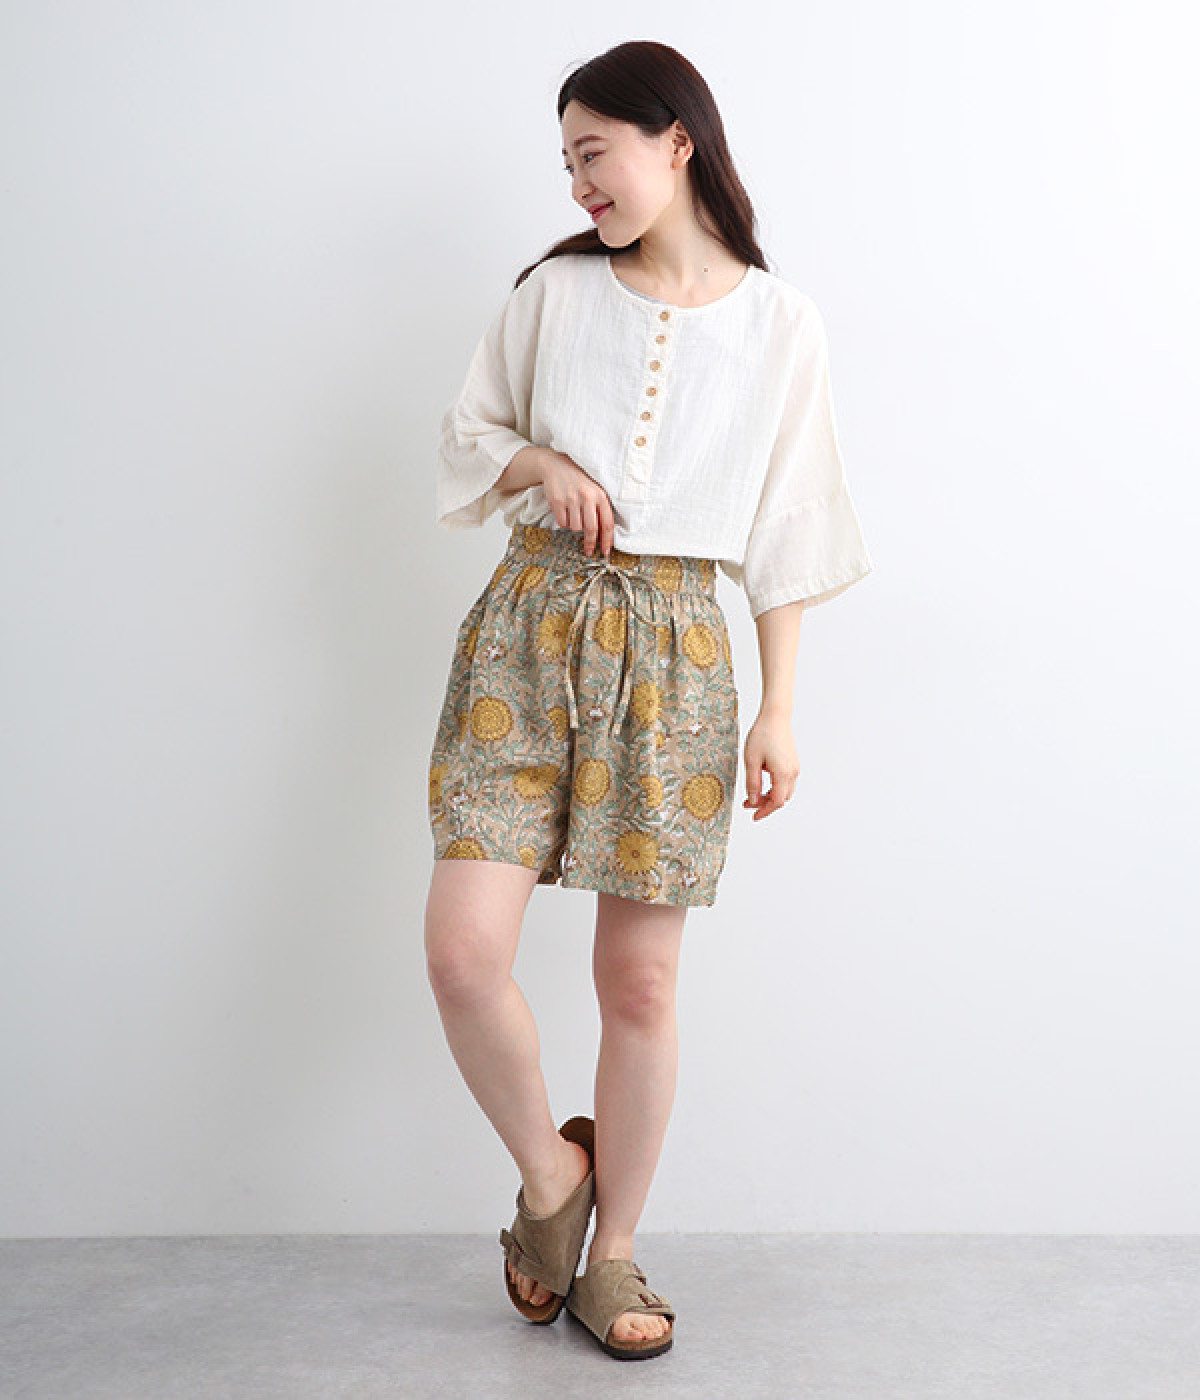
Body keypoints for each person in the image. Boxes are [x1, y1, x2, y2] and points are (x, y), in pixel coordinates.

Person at [423, 40, 873, 1360]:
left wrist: (779, 708)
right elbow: (468, 433)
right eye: (566, 162)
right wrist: (542, 463)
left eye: (594, 153)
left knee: (639, 983)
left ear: (676, 140)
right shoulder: (553, 295)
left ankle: (612, 1252)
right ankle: (553, 1182)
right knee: (462, 953)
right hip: (527, 632)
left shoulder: (783, 326)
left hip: (678, 657)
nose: (579, 184)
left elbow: (789, 528)